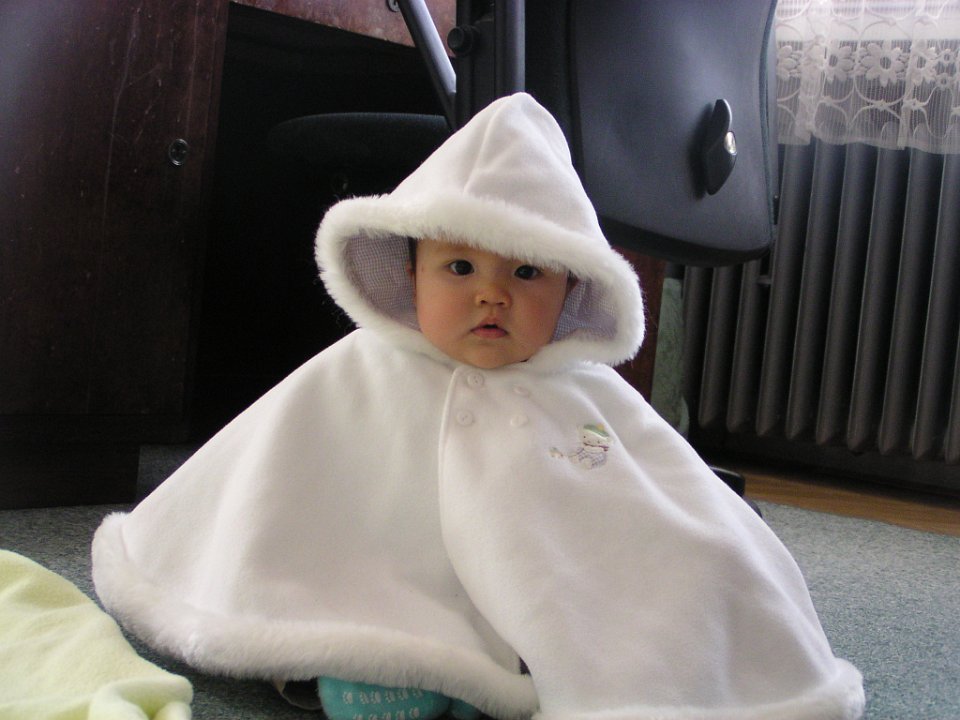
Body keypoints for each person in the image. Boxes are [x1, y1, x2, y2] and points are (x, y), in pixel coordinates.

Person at [92, 93, 865, 720]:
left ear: (571, 287)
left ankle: (509, 666)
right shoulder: (359, 371)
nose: (491, 294)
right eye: (459, 267)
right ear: (409, 273)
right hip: (380, 577)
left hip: (530, 608)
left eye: (526, 272)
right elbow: (275, 480)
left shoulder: (591, 399)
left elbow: (661, 513)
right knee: (329, 579)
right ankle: (370, 661)